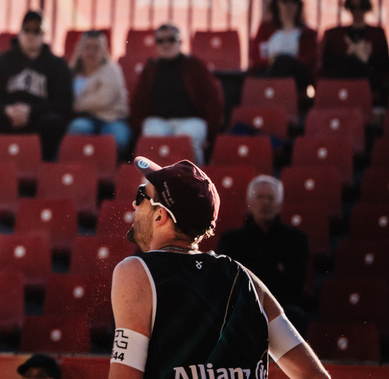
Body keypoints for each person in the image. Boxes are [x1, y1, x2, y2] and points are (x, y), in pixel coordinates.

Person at [109, 157, 329, 379]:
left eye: (141, 196)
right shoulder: (245, 279)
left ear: (160, 215)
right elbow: (314, 376)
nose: (134, 204)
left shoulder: (136, 272)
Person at [0, 10, 72, 162]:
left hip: (38, 119)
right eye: (27, 30)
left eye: (37, 31)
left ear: (44, 35)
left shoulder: (57, 66)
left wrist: (31, 111)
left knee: (53, 123)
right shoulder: (1, 62)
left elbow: (63, 104)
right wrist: (6, 110)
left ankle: (45, 172)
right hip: (6, 116)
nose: (31, 35)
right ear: (20, 32)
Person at [216, 174, 309, 331]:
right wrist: (275, 268)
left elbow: (294, 285)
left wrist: (252, 268)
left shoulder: (296, 239)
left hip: (281, 308)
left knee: (296, 315)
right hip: (242, 307)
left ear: (279, 204)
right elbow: (226, 283)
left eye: (271, 198)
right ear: (249, 203)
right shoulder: (230, 240)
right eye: (260, 197)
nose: (265, 203)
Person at [129, 24, 223, 166]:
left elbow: (212, 101)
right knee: (151, 136)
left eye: (171, 39)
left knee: (186, 138)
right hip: (158, 120)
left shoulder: (195, 66)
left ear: (180, 42)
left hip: (190, 120)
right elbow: (139, 104)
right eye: (160, 41)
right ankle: (151, 181)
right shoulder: (150, 69)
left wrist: (210, 131)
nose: (166, 44)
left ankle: (196, 179)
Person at [320, 0, 389, 105]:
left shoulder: (377, 34)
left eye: (361, 6)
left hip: (368, 83)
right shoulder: (335, 35)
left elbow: (383, 66)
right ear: (349, 8)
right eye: (353, 7)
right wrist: (350, 54)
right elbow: (326, 66)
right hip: (342, 83)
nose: (357, 11)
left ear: (366, 7)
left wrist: (365, 59)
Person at [66, 29, 131, 156]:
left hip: (113, 119)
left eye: (96, 48)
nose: (91, 52)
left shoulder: (112, 70)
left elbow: (103, 100)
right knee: (76, 130)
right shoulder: (72, 70)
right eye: (87, 47)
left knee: (118, 140)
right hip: (85, 119)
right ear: (80, 49)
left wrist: (73, 106)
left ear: (103, 51)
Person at [249, 0, 319, 99]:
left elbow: (309, 60)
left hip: (296, 78)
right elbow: (256, 58)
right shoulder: (265, 29)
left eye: (293, 0)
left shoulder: (307, 33)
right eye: (284, 0)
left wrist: (285, 60)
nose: (289, 5)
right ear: (276, 4)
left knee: (284, 61)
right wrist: (272, 61)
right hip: (268, 73)